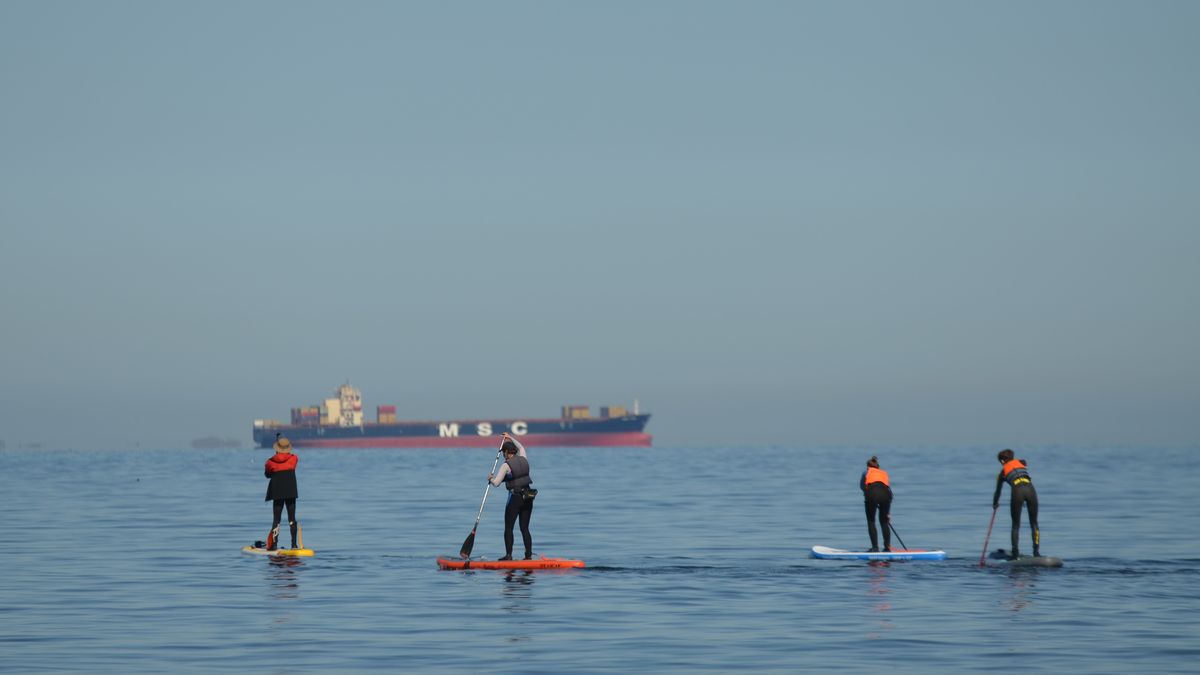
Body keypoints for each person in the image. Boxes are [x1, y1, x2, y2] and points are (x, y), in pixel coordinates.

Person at [488, 433, 536, 560]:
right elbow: (521, 446)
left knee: (508, 528)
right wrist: (510, 437)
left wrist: (491, 479)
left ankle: (509, 556)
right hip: (528, 496)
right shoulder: (524, 457)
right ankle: (528, 555)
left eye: (504, 452)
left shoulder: (505, 465)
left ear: (507, 452)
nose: (503, 455)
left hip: (515, 498)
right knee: (525, 528)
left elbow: (497, 483)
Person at [993, 448, 1039, 559]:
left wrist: (995, 504)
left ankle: (1015, 554)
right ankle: (1036, 553)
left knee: (1015, 525)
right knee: (1034, 523)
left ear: (1003, 461)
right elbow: (1021, 463)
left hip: (1017, 492)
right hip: (1031, 491)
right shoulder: (1022, 462)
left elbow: (998, 492)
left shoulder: (1002, 473)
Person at [264, 434, 300, 550]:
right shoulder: (294, 458)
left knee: (276, 519)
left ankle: (274, 545)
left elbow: (267, 474)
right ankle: (294, 545)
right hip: (290, 491)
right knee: (292, 519)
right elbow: (290, 465)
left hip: (277, 492)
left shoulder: (270, 462)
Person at [860, 456, 893, 552]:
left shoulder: (866, 472)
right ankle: (887, 547)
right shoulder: (884, 473)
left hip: (872, 494)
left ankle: (875, 547)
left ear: (868, 466)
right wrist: (888, 513)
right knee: (884, 522)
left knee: (871, 521)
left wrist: (870, 497)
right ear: (878, 467)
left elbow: (862, 486)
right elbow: (885, 487)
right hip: (886, 496)